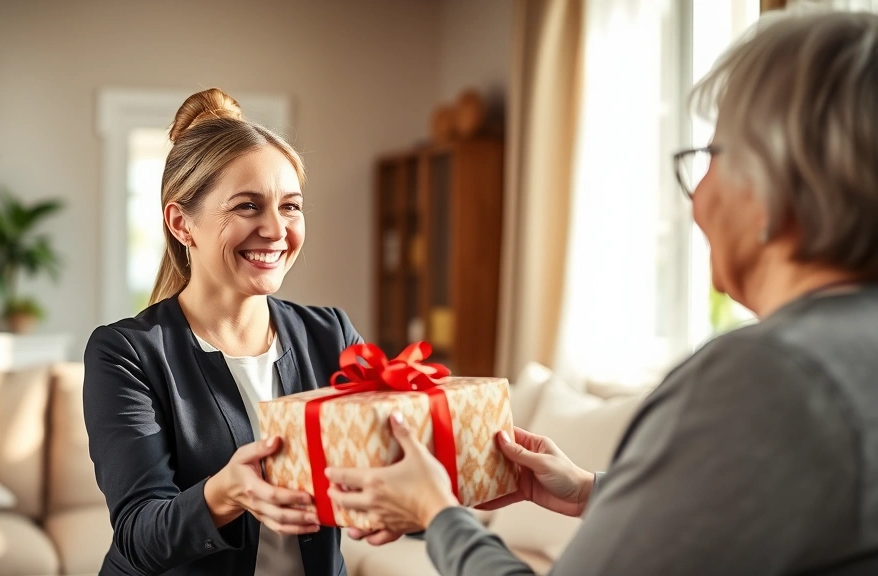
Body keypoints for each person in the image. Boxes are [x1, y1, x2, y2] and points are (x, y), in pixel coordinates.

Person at [325, 10, 878, 576]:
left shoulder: (764, 375)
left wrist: (438, 513)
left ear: (773, 184)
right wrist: (593, 491)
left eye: (711, 157)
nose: (697, 200)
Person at [83, 88, 361, 576]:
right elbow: (139, 536)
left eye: (290, 206)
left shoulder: (330, 335)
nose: (276, 230)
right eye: (248, 206)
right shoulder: (127, 353)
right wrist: (224, 494)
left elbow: (387, 466)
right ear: (181, 224)